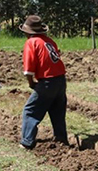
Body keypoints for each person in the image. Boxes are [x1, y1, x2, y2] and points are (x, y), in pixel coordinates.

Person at [19, 15, 68, 149]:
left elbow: (28, 70)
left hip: (47, 81)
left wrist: (31, 83)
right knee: (57, 111)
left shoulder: (31, 43)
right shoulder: (50, 41)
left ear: (27, 32)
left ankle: (27, 142)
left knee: (30, 111)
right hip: (61, 80)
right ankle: (61, 138)